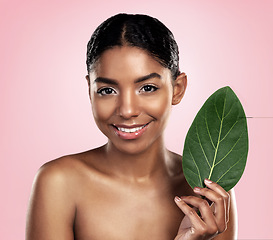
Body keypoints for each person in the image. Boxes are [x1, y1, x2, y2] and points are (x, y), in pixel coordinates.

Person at [26, 13, 237, 240]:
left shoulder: (210, 193)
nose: (127, 110)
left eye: (147, 88)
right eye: (108, 90)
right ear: (90, 90)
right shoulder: (59, 183)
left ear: (177, 89)